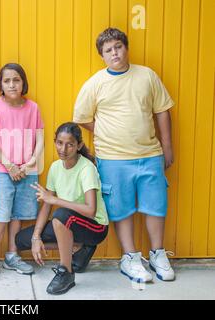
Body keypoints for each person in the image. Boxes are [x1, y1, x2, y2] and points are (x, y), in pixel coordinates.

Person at [73, 27, 175, 283]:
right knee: (122, 209)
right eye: (108, 50)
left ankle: (158, 253)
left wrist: (167, 146)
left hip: (150, 153)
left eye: (118, 46)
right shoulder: (95, 83)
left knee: (156, 206)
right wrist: (107, 131)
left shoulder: (147, 76)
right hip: (113, 159)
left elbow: (162, 110)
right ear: (102, 56)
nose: (114, 52)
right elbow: (82, 118)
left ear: (126, 48)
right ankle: (130, 257)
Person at [15, 122, 109, 295]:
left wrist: (55, 200)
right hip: (68, 220)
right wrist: (36, 237)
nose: (63, 149)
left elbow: (90, 210)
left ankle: (66, 272)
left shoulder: (86, 168)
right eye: (59, 142)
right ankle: (79, 248)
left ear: (79, 145)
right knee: (22, 240)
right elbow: (47, 204)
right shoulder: (56, 167)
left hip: (95, 226)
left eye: (70, 144)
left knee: (61, 215)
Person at [0, 63, 44, 280]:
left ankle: (12, 255)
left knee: (17, 216)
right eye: (6, 80)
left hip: (26, 170)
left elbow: (40, 139)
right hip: (3, 170)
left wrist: (29, 164)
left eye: (16, 80)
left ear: (23, 82)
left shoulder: (33, 108)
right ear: (1, 84)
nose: (11, 84)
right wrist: (9, 165)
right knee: (2, 215)